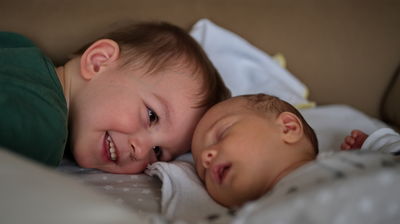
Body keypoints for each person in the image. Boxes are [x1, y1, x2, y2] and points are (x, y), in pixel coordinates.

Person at [0, 21, 230, 174]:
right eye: (152, 116)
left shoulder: (20, 48)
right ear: (98, 62)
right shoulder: (43, 130)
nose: (140, 151)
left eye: (158, 152)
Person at [191, 93, 319, 207]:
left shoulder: (336, 163)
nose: (204, 157)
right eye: (203, 172)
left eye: (221, 135)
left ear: (288, 128)